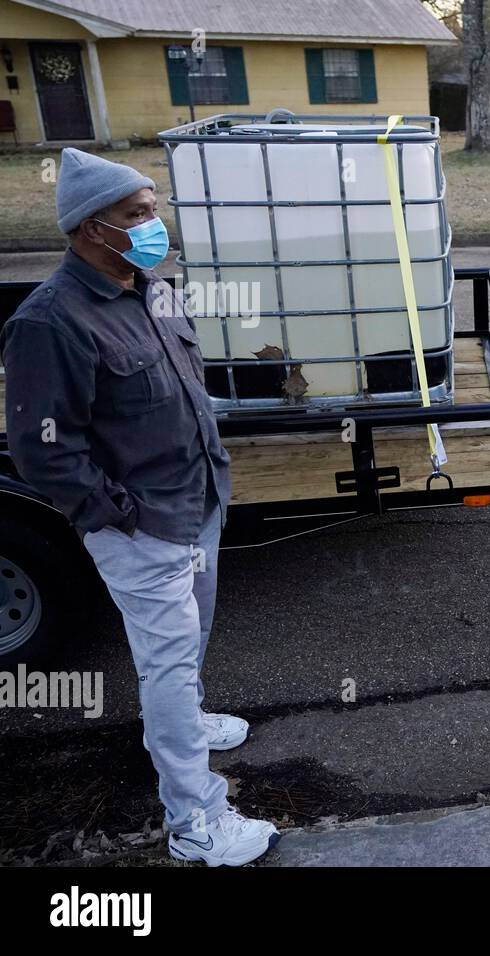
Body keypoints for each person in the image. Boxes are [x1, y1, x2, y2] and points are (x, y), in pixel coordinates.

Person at [0, 148, 279, 866]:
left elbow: (179, 386)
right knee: (166, 665)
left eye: (153, 208)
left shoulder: (150, 289)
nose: (155, 224)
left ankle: (190, 716)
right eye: (139, 214)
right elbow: (43, 451)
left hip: (199, 502)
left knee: (189, 646)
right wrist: (121, 515)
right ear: (93, 229)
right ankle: (196, 824)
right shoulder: (50, 323)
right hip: (144, 525)